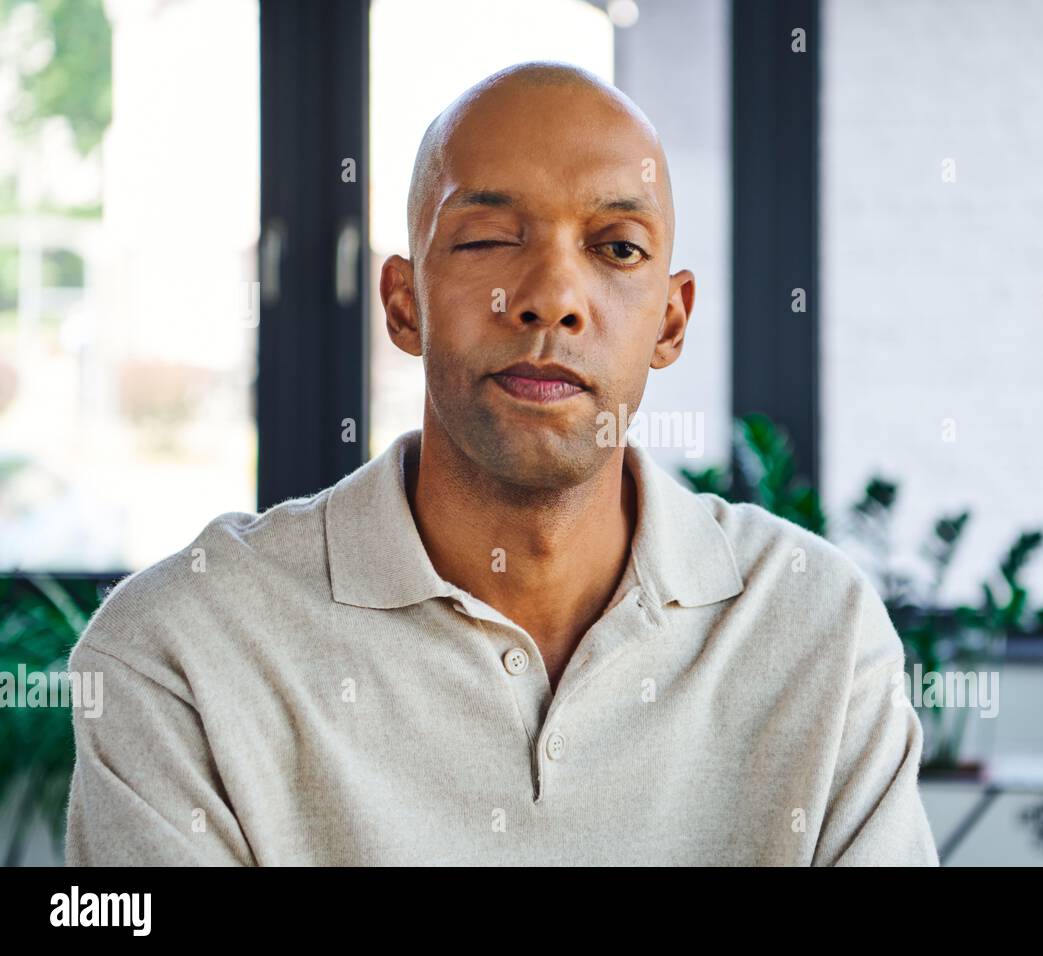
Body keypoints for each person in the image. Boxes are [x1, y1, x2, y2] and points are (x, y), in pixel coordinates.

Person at [64, 61, 939, 866]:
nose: (550, 299)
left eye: (616, 247)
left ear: (670, 323)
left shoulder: (818, 631)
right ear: (404, 306)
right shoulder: (182, 652)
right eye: (487, 239)